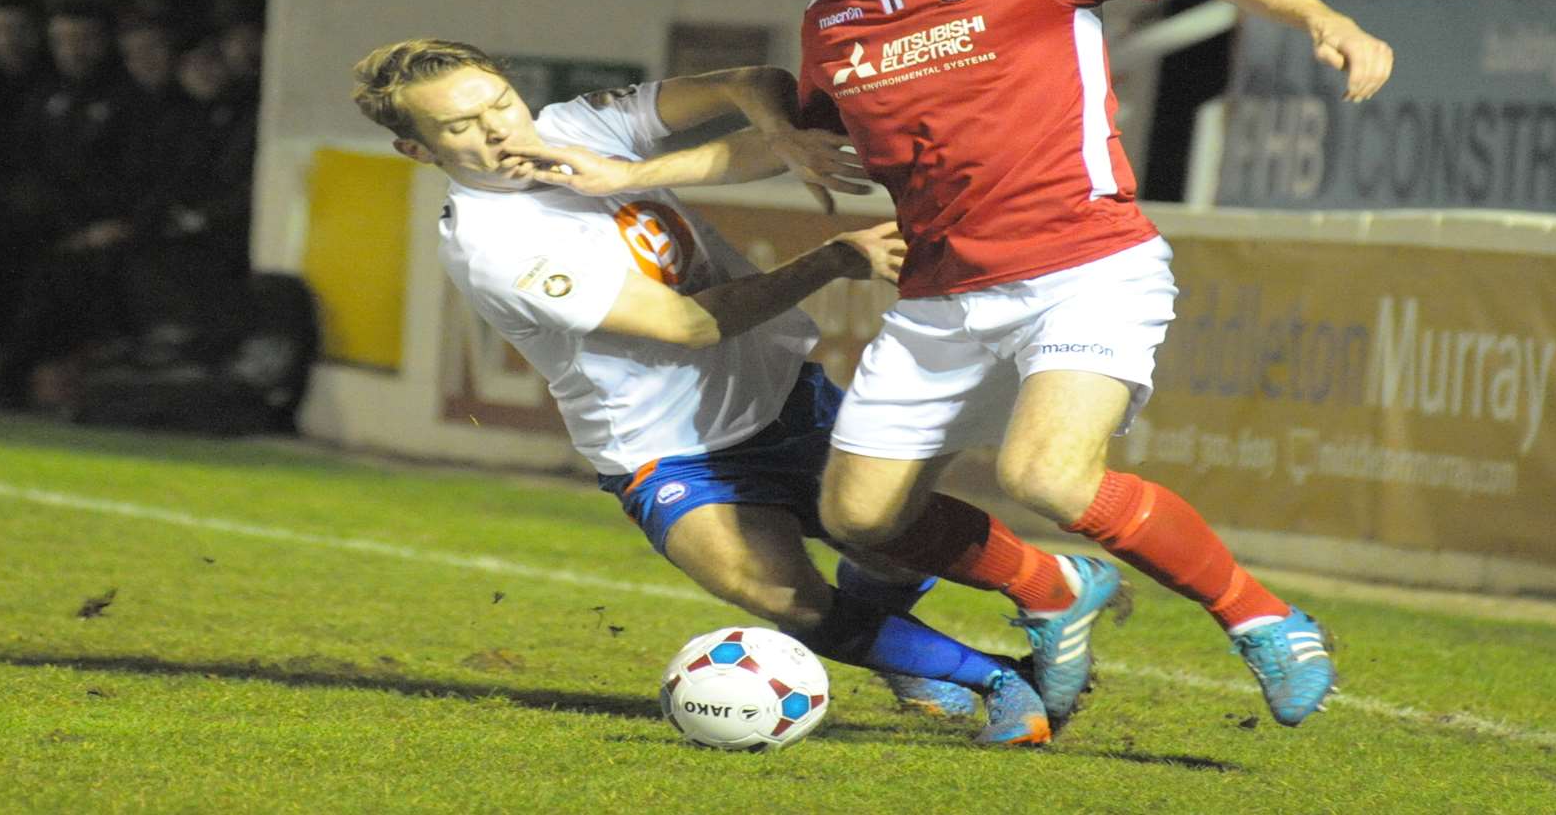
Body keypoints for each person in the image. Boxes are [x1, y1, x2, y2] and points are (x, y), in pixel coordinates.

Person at [752, 0, 1395, 728]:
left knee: (1048, 476)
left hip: (1082, 268)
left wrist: (1320, 19)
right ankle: (1054, 589)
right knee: (859, 520)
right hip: (938, 298)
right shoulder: (831, 19)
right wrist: (776, 130)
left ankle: (1266, 621)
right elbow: (800, 118)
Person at [348, 39, 1123, 745]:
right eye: (461, 127)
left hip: (783, 393)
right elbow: (687, 327)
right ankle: (993, 678)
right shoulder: (493, 246)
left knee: (886, 531)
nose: (497, 131)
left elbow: (750, 80)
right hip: (662, 446)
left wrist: (783, 137)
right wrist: (830, 262)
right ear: (416, 149)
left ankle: (1052, 588)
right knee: (787, 600)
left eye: (499, 104)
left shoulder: (579, 124)